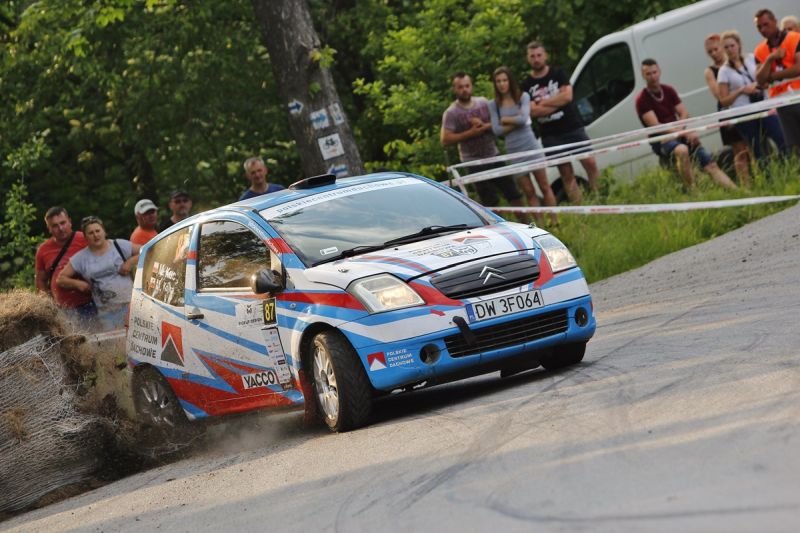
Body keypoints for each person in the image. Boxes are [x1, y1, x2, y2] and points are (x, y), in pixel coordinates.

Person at [635, 58, 737, 190]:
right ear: (643, 76)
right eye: (648, 74)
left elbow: (684, 113)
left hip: (679, 132)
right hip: (661, 139)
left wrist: (684, 131)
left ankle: (737, 191)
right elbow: (657, 126)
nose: (653, 77)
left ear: (659, 71)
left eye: (654, 72)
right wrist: (682, 132)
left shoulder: (668, 90)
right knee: (682, 150)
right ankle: (693, 191)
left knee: (710, 165)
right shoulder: (642, 99)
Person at [520, 41, 600, 204]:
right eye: (532, 56)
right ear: (528, 59)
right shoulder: (527, 84)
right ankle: (581, 207)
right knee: (566, 173)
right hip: (551, 135)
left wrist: (542, 103)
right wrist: (556, 103)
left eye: (539, 55)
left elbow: (567, 97)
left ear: (545, 56)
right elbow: (532, 111)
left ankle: (600, 199)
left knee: (590, 163)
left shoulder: (558, 74)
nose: (536, 59)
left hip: (572, 126)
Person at [440, 72, 526, 213]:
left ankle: (526, 224)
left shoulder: (483, 103)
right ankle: (497, 231)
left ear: (471, 86)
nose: (464, 89)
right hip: (472, 162)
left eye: (467, 86)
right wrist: (470, 133)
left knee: (513, 194)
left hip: (493, 155)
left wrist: (484, 126)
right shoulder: (451, 112)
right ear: (454, 89)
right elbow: (445, 139)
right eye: (460, 87)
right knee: (489, 202)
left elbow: (499, 122)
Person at [489, 66, 558, 227]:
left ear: (510, 80)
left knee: (544, 186)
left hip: (530, 145)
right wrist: (516, 119)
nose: (502, 84)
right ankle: (540, 225)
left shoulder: (523, 96)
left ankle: (555, 221)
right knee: (529, 192)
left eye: (504, 80)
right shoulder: (493, 104)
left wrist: (505, 119)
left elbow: (524, 118)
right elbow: (496, 130)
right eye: (498, 81)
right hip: (514, 151)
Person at [57, 216, 140, 331]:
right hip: (107, 313)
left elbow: (146, 250)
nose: (95, 235)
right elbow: (61, 279)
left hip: (131, 305)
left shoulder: (118, 245)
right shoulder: (81, 257)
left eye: (97, 231)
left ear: (104, 231)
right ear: (85, 237)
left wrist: (130, 262)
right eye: (90, 233)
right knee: (116, 346)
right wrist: (78, 284)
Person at [718, 30, 786, 163]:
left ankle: (789, 167)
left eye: (732, 45)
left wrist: (761, 84)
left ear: (738, 44)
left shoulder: (751, 58)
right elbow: (724, 101)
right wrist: (742, 90)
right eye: (726, 47)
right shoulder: (724, 71)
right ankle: (769, 178)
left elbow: (765, 77)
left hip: (764, 106)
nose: (730, 50)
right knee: (758, 150)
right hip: (744, 113)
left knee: (781, 138)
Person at [34, 207, 96, 324]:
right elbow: (40, 281)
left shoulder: (86, 239)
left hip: (91, 303)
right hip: (62, 309)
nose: (60, 228)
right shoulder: (43, 250)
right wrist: (47, 304)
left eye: (63, 223)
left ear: (70, 222)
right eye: (55, 226)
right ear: (49, 228)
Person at [703, 34, 751, 184]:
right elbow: (719, 94)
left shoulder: (738, 62)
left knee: (753, 147)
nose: (714, 54)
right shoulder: (710, 71)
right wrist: (736, 89)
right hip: (728, 110)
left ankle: (761, 178)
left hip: (746, 106)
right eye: (709, 52)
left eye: (716, 49)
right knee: (739, 151)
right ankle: (746, 186)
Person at [754, 9, 800, 154]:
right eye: (759, 27)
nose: (763, 29)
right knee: (795, 146)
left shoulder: (794, 38)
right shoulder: (760, 50)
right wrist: (770, 59)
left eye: (766, 24)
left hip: (798, 95)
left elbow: (799, 68)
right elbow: (760, 80)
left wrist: (773, 76)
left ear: (775, 22)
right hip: (782, 102)